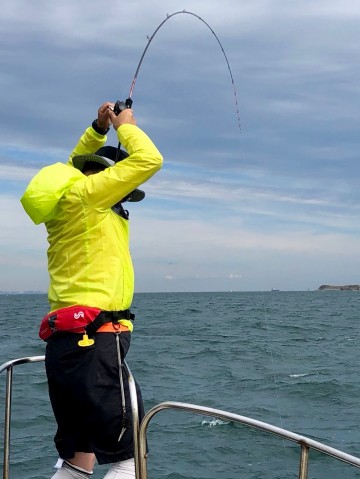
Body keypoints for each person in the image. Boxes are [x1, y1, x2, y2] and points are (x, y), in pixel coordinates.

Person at [20, 102, 163, 478]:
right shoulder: (90, 195)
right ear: (98, 178)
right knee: (129, 461)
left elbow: (72, 164)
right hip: (98, 341)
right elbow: (149, 159)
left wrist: (97, 129)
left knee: (77, 461)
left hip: (64, 347)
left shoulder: (63, 202)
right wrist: (125, 126)